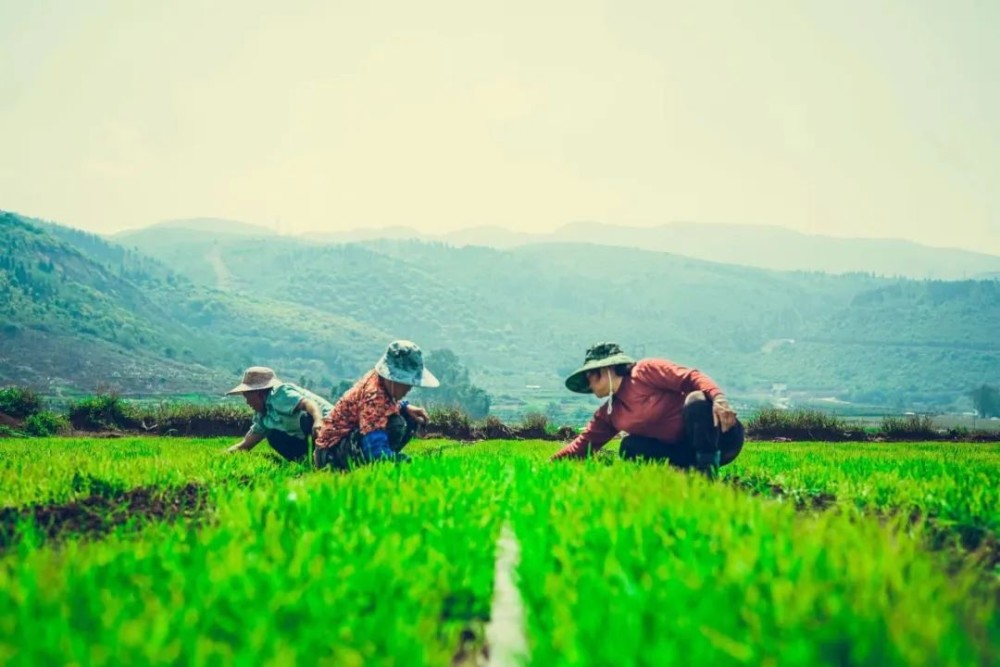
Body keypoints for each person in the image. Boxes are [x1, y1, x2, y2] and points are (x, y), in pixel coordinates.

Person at [550, 342, 742, 477]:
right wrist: (549, 465)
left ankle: (707, 474)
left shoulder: (645, 371)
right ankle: (685, 475)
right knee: (629, 446)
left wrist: (718, 398)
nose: (589, 384)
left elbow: (691, 377)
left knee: (697, 399)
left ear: (607, 369)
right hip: (683, 453)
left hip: (720, 438)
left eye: (590, 376)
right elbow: (582, 446)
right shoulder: (609, 413)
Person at [314, 340, 437, 470]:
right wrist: (398, 462)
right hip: (332, 451)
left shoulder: (380, 381)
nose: (409, 388)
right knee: (396, 423)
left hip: (345, 440)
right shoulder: (374, 396)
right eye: (405, 382)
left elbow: (385, 404)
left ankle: (380, 460)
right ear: (392, 378)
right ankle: (373, 465)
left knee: (408, 417)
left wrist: (404, 407)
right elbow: (374, 444)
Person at [225, 367, 333, 462]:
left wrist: (318, 420)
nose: (247, 402)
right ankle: (310, 461)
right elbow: (245, 445)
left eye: (247, 397)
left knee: (305, 418)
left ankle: (329, 456)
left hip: (331, 425)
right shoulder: (263, 416)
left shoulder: (279, 394)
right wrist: (224, 454)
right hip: (313, 437)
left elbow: (309, 403)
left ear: (257, 393)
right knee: (273, 436)